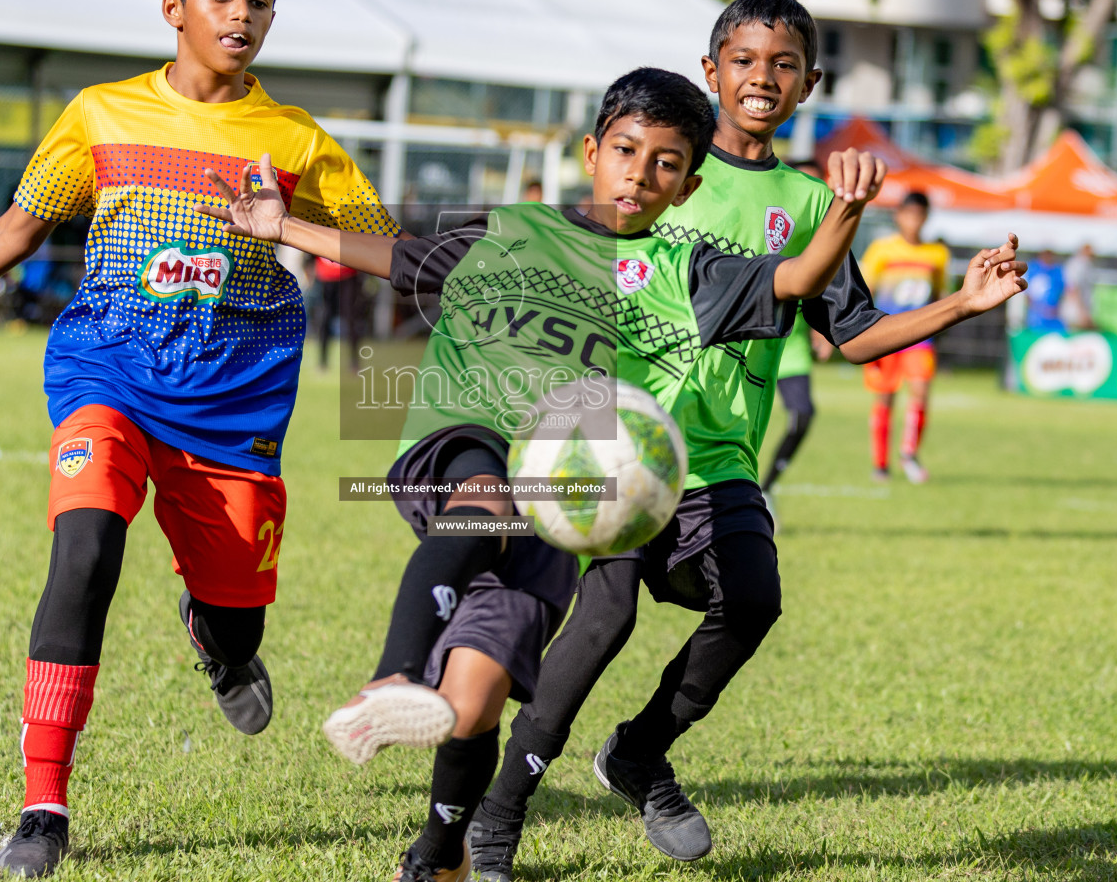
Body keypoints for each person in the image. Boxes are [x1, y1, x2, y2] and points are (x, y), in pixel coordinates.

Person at [199, 66, 883, 882]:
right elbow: (399, 256)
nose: (640, 173)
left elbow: (797, 281)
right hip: (460, 438)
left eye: (666, 163)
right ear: (592, 151)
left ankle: (439, 851)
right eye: (626, 150)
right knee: (483, 507)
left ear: (689, 184)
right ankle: (388, 677)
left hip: (556, 496)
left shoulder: (684, 270)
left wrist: (843, 212)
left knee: (478, 696)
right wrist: (284, 226)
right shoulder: (511, 226)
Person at [0, 0, 404, 878]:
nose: (241, 15)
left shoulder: (298, 142)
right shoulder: (99, 116)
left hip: (236, 407)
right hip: (107, 372)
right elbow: (20, 229)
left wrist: (292, 225)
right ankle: (43, 802)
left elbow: (391, 254)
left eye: (259, 0)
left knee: (238, 615)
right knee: (86, 545)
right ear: (173, 7)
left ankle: (219, 640)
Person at [466, 0, 1027, 881]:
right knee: (604, 617)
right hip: (616, 442)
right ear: (711, 70)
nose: (762, 78)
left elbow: (851, 335)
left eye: (784, 64)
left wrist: (961, 302)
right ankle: (496, 819)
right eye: (745, 59)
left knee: (754, 600)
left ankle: (640, 752)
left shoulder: (814, 201)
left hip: (721, 459)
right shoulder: (666, 165)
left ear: (810, 83)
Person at [859, 192, 950, 484]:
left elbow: (939, 295)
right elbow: (865, 290)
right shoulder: (882, 249)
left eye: (919, 215)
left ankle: (909, 454)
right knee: (885, 397)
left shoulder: (937, 254)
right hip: (886, 333)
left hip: (920, 337)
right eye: (908, 214)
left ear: (925, 218)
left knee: (921, 391)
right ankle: (880, 463)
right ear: (899, 216)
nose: (913, 221)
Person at [760, 160, 833, 504]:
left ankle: (767, 486)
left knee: (803, 414)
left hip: (790, 345)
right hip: (746, 339)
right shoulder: (770, 224)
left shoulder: (827, 242)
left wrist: (823, 332)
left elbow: (827, 296)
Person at [311, 254, 360, 371]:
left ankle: (354, 363)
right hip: (326, 276)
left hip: (348, 274)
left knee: (351, 320)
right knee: (324, 318)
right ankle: (322, 363)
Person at [1023, 250, 1066, 332]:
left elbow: (1062, 291)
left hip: (1054, 317)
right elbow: (1027, 294)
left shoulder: (1057, 271)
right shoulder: (1032, 269)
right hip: (1036, 319)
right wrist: (1038, 309)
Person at [1060, 242, 1096, 331]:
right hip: (1075, 312)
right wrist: (1082, 312)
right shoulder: (1077, 265)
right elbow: (1072, 288)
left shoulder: (1086, 265)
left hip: (1081, 310)